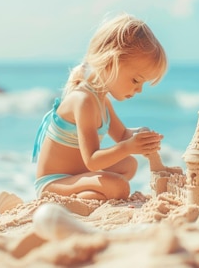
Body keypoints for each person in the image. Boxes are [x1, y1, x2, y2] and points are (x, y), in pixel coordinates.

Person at [32, 13, 167, 201]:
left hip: (77, 174)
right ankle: (82, 196)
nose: (139, 90)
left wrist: (141, 136)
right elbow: (93, 160)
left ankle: (90, 195)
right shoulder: (83, 101)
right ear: (111, 63)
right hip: (55, 183)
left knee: (129, 165)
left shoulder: (102, 101)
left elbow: (121, 136)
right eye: (136, 80)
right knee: (120, 187)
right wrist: (129, 146)